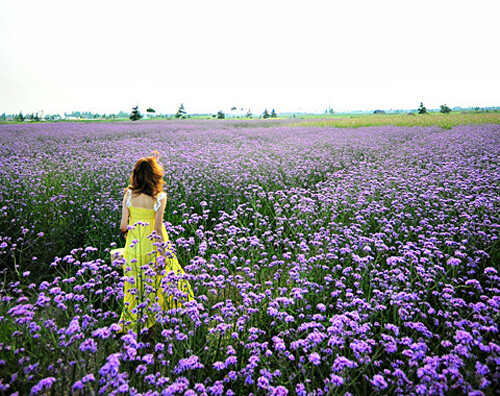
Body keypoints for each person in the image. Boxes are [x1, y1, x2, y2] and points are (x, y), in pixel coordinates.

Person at [115, 150, 193, 333]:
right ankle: (159, 314)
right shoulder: (159, 197)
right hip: (154, 246)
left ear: (135, 175)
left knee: (135, 284)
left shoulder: (128, 194)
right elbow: (157, 230)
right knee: (159, 281)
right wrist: (164, 255)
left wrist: (131, 232)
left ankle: (132, 320)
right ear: (155, 176)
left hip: (134, 247)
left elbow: (122, 226)